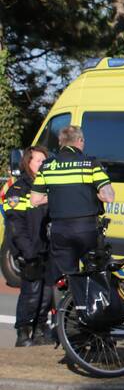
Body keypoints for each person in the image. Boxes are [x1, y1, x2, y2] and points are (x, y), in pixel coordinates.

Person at [30, 126, 114, 283]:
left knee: (65, 277)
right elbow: (108, 197)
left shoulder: (47, 166)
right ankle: (92, 305)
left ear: (61, 142)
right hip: (87, 230)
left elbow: (35, 200)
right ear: (80, 141)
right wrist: (91, 194)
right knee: (95, 274)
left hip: (60, 231)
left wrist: (57, 195)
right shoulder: (90, 163)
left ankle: (67, 305)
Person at [4, 146, 53, 346]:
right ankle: (23, 333)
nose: (42, 164)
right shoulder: (18, 189)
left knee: (47, 294)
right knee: (31, 293)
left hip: (48, 249)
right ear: (28, 163)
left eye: (44, 161)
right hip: (29, 249)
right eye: (38, 161)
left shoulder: (49, 187)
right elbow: (15, 225)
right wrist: (27, 251)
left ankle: (40, 330)